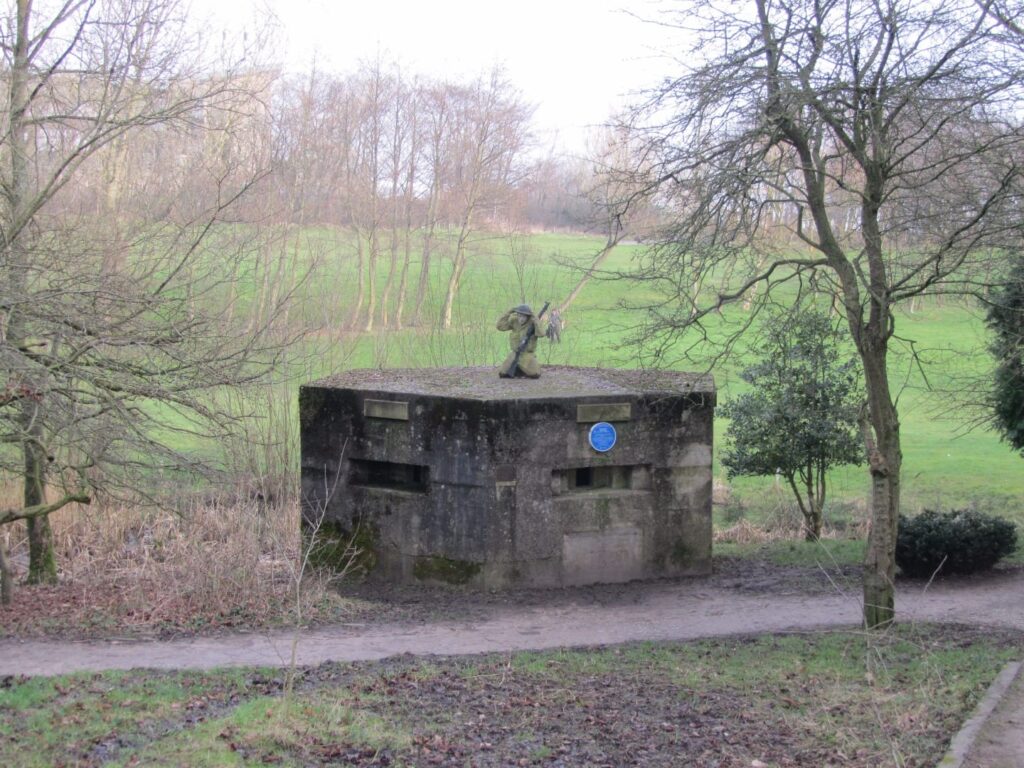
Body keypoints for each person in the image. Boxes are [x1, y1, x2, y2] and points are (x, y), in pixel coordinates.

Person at [496, 304, 549, 378]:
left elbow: (541, 334)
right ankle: (517, 370)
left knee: (534, 374)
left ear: (528, 317)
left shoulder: (533, 323)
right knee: (503, 373)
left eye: (524, 316)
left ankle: (521, 371)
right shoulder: (514, 321)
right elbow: (500, 326)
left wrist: (536, 321)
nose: (521, 318)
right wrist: (509, 312)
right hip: (515, 353)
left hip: (527, 354)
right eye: (519, 315)